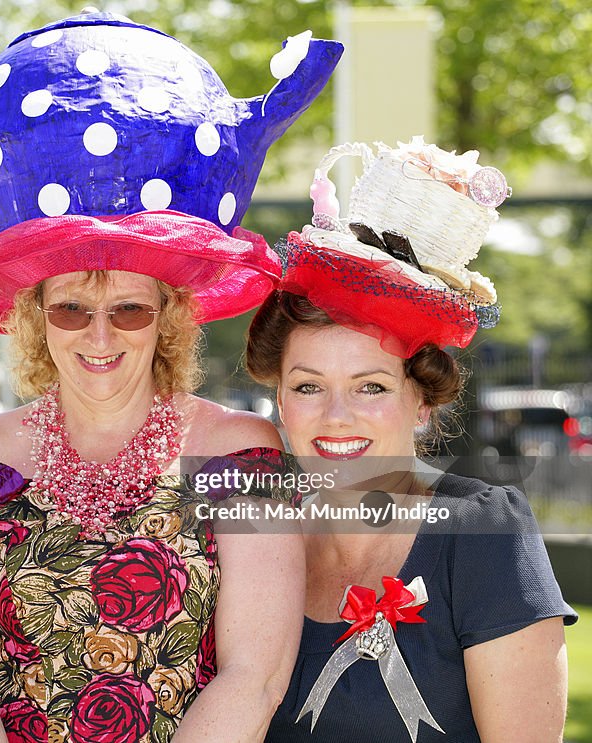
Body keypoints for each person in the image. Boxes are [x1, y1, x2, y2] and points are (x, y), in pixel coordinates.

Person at [0, 9, 343, 742]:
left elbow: (253, 676)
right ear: (35, 317)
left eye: (129, 309)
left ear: (170, 315)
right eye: (71, 309)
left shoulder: (240, 452)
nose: (100, 335)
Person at [244, 139, 576, 742]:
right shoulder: (256, 536)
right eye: (309, 386)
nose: (336, 416)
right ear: (281, 403)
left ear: (421, 402)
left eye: (370, 387)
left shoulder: (481, 533)